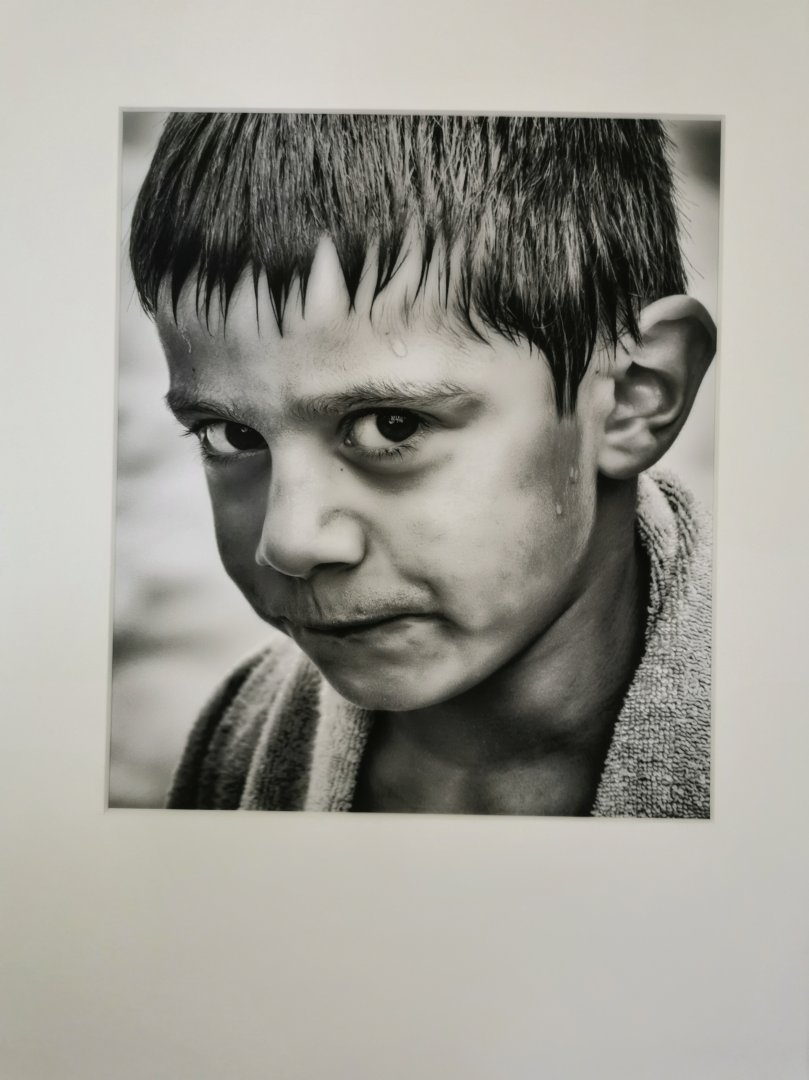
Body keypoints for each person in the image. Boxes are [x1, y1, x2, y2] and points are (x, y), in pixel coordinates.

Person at [129, 114, 715, 817]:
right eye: (231, 435)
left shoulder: (772, 761)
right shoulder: (239, 739)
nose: (289, 542)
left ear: (634, 397)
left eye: (391, 425)